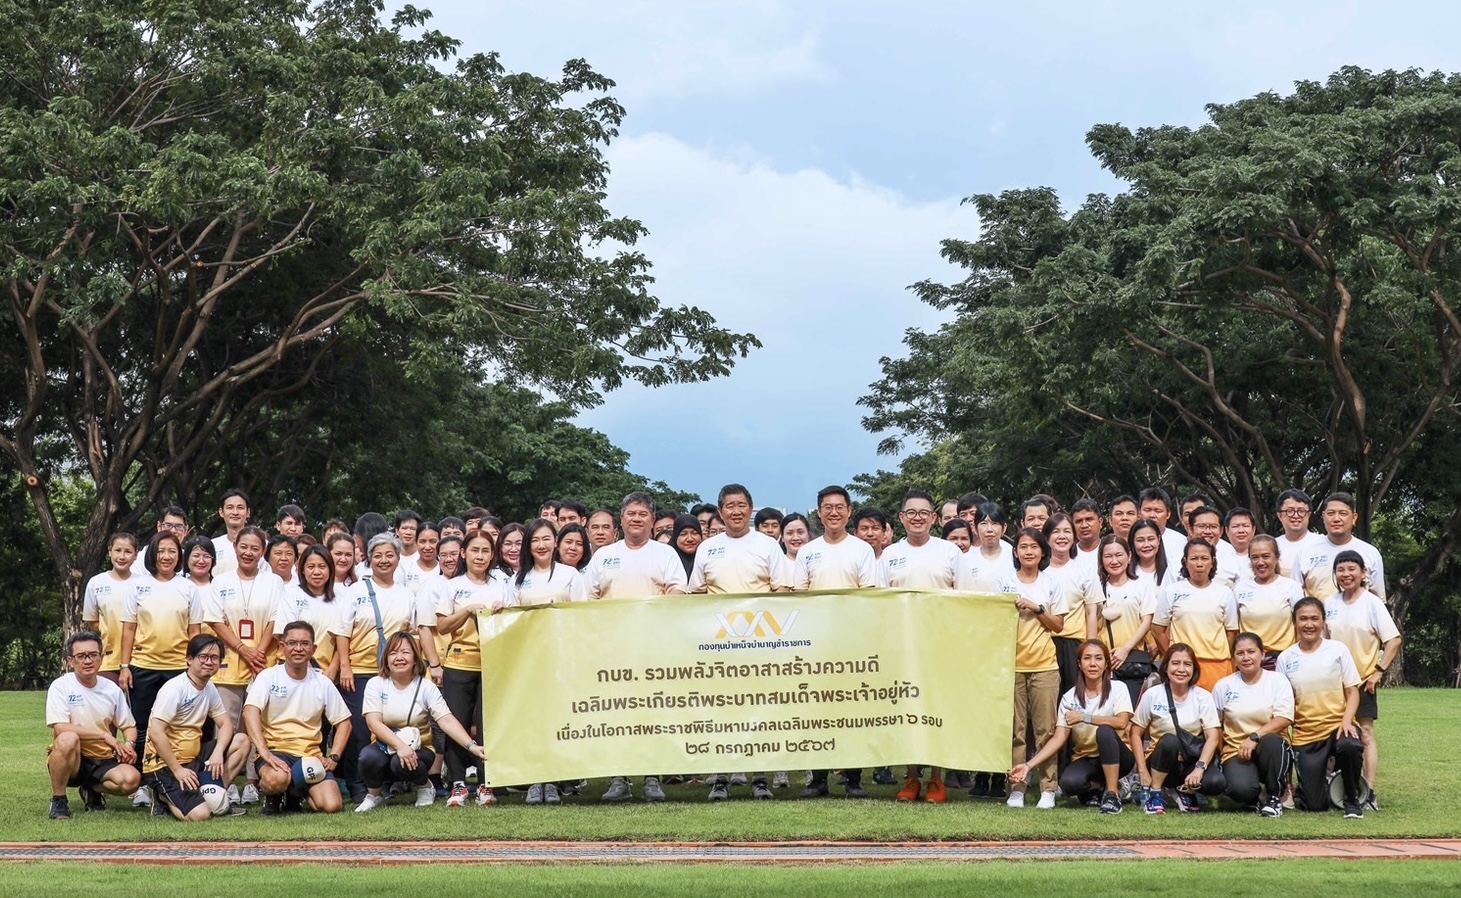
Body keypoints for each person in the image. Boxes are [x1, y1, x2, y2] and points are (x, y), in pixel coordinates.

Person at [689, 484, 795, 802]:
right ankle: (721, 777)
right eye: (729, 506)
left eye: (741, 505)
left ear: (750, 509)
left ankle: (759, 777)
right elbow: (696, 593)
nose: (736, 511)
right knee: (721, 712)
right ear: (720, 512)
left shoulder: (767, 545)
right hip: (717, 645)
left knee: (759, 711)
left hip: (760, 643)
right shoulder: (708, 548)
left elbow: (782, 591)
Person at [585, 492, 687, 802]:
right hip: (613, 648)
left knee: (652, 713)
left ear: (653, 521)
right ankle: (619, 777)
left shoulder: (665, 554)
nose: (637, 518)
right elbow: (588, 600)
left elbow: (679, 593)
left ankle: (652, 776)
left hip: (653, 647)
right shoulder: (604, 555)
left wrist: (644, 610)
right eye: (631, 513)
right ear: (622, 519)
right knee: (618, 714)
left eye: (643, 514)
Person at [795, 486, 884, 799]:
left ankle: (854, 778)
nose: (833, 513)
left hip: (852, 643)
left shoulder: (861, 549)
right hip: (815, 643)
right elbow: (800, 597)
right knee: (815, 712)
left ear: (849, 511)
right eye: (827, 508)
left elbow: (867, 595)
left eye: (839, 507)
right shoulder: (807, 551)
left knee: (852, 711)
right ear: (819, 512)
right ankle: (818, 779)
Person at [119, 530, 205, 808]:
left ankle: (169, 782)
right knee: (143, 728)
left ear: (179, 556)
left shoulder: (188, 588)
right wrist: (124, 666)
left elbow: (195, 631)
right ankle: (144, 784)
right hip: (143, 667)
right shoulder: (138, 586)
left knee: (174, 728)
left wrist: (193, 667)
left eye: (172, 551)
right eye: (161, 551)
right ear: (152, 555)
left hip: (178, 669)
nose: (166, 556)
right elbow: (129, 628)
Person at [355, 631, 486, 812]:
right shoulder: (375, 684)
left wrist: (472, 746)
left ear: (416, 659)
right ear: (385, 659)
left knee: (398, 763)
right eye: (393, 653)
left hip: (420, 749)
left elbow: (446, 719)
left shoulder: (426, 686)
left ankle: (425, 787)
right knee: (367, 758)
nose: (399, 658)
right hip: (384, 746)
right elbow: (373, 723)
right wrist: (400, 746)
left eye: (405, 653)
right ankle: (374, 795)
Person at [206, 526, 284, 806]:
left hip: (263, 662)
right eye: (244, 547)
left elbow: (277, 619)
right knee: (225, 723)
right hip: (229, 664)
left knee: (260, 722)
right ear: (235, 548)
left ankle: (253, 780)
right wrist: (242, 649)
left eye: (255, 548)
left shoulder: (273, 581)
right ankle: (223, 781)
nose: (248, 552)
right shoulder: (220, 581)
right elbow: (215, 620)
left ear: (263, 552)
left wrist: (258, 653)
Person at [1010, 639, 1133, 814]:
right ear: (1079, 664)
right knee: (1069, 783)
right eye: (1087, 658)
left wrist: (1084, 717)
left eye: (1098, 659)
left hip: (1120, 757)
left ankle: (1112, 794)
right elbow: (1059, 738)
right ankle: (1099, 786)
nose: (1092, 664)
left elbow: (1122, 722)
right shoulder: (1070, 698)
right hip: (1087, 758)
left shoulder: (1118, 688)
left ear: (1106, 664)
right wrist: (1028, 766)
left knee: (1105, 732)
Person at [338, 532, 417, 804]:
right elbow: (342, 633)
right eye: (378, 555)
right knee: (360, 731)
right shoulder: (355, 591)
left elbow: (411, 634)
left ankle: (389, 784)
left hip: (394, 675)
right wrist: (345, 667)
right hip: (359, 671)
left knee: (391, 727)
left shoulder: (407, 594)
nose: (384, 560)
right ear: (369, 559)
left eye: (390, 555)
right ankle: (359, 786)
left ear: (398, 559)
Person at [243, 621, 352, 815]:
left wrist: (333, 757)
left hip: (310, 755)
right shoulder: (268, 677)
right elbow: (250, 711)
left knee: (332, 806)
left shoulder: (323, 682)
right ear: (282, 647)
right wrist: (264, 752)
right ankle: (273, 797)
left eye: (305, 644)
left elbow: (344, 722)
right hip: (276, 752)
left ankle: (295, 792)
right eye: (292, 643)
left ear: (313, 649)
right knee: (276, 778)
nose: (298, 648)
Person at [142, 634, 251, 820]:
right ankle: (162, 797)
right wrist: (177, 770)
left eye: (214, 658)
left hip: (194, 757)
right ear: (189, 659)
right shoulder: (174, 689)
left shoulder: (209, 688)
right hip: (164, 764)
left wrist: (218, 752)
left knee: (242, 741)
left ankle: (214, 795)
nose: (209, 662)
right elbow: (155, 732)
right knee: (200, 816)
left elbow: (225, 724)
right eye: (203, 657)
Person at [1325, 549, 1402, 808]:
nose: (1346, 574)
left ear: (1363, 573)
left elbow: (1393, 639)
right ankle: (1333, 784)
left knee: (1365, 734)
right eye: (1341, 570)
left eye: (1351, 569)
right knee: (1332, 733)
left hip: (1362, 681)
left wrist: (1379, 671)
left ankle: (1369, 791)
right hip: (1332, 683)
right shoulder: (1329, 603)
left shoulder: (1372, 603)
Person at [1279, 597, 1366, 817]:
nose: (1309, 624)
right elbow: (1284, 700)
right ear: (1295, 622)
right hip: (1306, 735)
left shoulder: (1338, 650)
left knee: (1350, 746)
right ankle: (1320, 783)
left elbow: (1352, 691)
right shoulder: (1285, 658)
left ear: (1323, 621)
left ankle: (1352, 798)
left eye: (1315, 619)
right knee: (1315, 805)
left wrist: (1347, 720)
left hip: (1338, 727)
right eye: (1303, 619)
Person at [439, 529, 508, 806]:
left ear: (492, 555)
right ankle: (457, 784)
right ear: (463, 553)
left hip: (494, 663)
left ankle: (486, 783)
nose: (480, 556)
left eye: (486, 551)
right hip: (458, 662)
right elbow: (442, 626)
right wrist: (466, 610)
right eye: (475, 550)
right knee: (457, 722)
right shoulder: (451, 586)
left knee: (489, 724)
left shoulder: (502, 584)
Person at [45, 631, 141, 819]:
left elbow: (129, 726)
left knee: (132, 780)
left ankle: (92, 788)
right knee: (67, 738)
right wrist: (105, 736)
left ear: (101, 658)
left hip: (102, 758)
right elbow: (60, 727)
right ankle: (59, 800)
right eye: (81, 656)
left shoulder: (111, 689)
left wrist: (129, 744)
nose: (87, 661)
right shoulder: (61, 686)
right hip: (73, 758)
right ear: (71, 661)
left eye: (93, 655)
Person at [1004, 527, 1066, 810]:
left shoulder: (1052, 583)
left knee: (1045, 729)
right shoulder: (1002, 581)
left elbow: (1059, 625)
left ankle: (1048, 788)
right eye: (1023, 546)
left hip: (1044, 665)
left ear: (1043, 552)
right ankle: (1016, 786)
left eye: (1034, 547)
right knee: (1016, 731)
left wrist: (1037, 608)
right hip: (1010, 666)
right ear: (1015, 552)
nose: (1028, 551)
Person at [1128, 643, 1225, 814]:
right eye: (1175, 663)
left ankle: (1184, 790)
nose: (1181, 669)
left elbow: (1213, 737)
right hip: (1160, 759)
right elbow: (1135, 732)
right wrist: (1142, 770)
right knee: (1169, 741)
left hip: (1190, 760)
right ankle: (1155, 792)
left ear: (1194, 669)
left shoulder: (1203, 696)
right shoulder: (1153, 694)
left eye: (1187, 664)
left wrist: (1199, 768)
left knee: (1215, 783)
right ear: (1165, 668)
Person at [1212, 633, 1294, 817]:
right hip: (1236, 751)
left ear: (1263, 654)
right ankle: (1255, 796)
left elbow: (1284, 718)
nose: (1246, 657)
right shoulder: (1223, 686)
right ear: (1234, 658)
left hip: (1270, 747)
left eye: (1251, 651)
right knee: (1241, 791)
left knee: (1272, 741)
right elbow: (1215, 725)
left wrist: (1254, 737)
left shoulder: (1277, 681)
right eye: (1240, 653)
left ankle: (1274, 796)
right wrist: (1221, 752)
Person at [1152, 539, 1238, 692]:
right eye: (1194, 558)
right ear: (1185, 562)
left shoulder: (1224, 593)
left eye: (1204, 558)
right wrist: (1172, 658)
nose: (1199, 564)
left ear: (1212, 562)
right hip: (1184, 667)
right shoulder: (1172, 591)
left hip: (1217, 665)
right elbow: (1158, 629)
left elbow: (1232, 633)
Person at [1094, 535, 1158, 703]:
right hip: (1103, 662)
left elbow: (1147, 621)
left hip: (1133, 661)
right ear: (1101, 559)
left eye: (1119, 555)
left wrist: (1125, 649)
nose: (1114, 561)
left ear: (1129, 557)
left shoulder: (1141, 586)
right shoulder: (1096, 587)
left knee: (1131, 712)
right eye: (1108, 556)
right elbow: (1092, 623)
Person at [1043, 513, 1100, 696]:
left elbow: (1092, 612)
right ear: (1046, 538)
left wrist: (1091, 648)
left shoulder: (1084, 570)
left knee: (1075, 697)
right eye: (1056, 532)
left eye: (1067, 531)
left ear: (1074, 537)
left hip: (1074, 644)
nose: (1062, 536)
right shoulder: (1038, 571)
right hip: (1044, 643)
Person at [275, 544, 351, 681]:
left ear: (330, 569)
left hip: (330, 674)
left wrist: (334, 667)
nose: (316, 572)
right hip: (295, 670)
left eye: (322, 567)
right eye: (311, 567)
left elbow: (344, 635)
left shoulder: (343, 598)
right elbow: (284, 634)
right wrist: (306, 668)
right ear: (302, 570)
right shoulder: (292, 595)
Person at [1294, 492, 1386, 600]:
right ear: (1323, 516)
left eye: (1343, 513)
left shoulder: (1370, 553)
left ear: (1354, 518)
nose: (1336, 519)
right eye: (1331, 513)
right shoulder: (1305, 553)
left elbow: (1378, 599)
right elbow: (1296, 598)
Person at [1234, 535, 1303, 664]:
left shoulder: (1291, 587)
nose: (1260, 562)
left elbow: (1300, 627)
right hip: (1249, 661)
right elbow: (1234, 628)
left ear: (1277, 557)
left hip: (1283, 659)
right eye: (1255, 557)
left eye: (1266, 556)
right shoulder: (1240, 588)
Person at [82, 532, 140, 684]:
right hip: (108, 659)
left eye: (128, 552)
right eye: (117, 550)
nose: (122, 556)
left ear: (136, 555)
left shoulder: (143, 583)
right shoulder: (96, 583)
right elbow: (93, 623)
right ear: (109, 551)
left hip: (139, 658)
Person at [513, 519, 589, 606]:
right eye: (535, 540)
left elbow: (580, 610)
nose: (541, 546)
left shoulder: (571, 574)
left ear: (556, 541)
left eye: (546, 539)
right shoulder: (517, 579)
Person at [1274, 488, 1321, 579]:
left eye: (1301, 511)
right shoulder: (1272, 545)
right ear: (1279, 515)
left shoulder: (1321, 543)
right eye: (1290, 511)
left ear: (1309, 514)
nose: (1296, 516)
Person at [1138, 486, 1189, 567]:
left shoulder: (1181, 542)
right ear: (1139, 513)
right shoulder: (1131, 541)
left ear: (1168, 514)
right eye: (1147, 510)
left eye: (1158, 511)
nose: (1152, 515)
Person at [211, 489, 254, 578]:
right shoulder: (212, 545)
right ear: (221, 512)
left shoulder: (261, 545)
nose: (235, 512)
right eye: (230, 507)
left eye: (240, 507)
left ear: (248, 512)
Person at [1128, 519, 1169, 585]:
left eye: (1151, 539)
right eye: (1140, 540)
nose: (1146, 545)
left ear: (1159, 539)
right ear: (1133, 542)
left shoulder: (1170, 570)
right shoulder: (1125, 572)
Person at [670, 513, 703, 579]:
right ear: (675, 537)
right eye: (683, 534)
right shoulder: (667, 560)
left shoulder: (708, 558)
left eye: (694, 533)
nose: (689, 539)